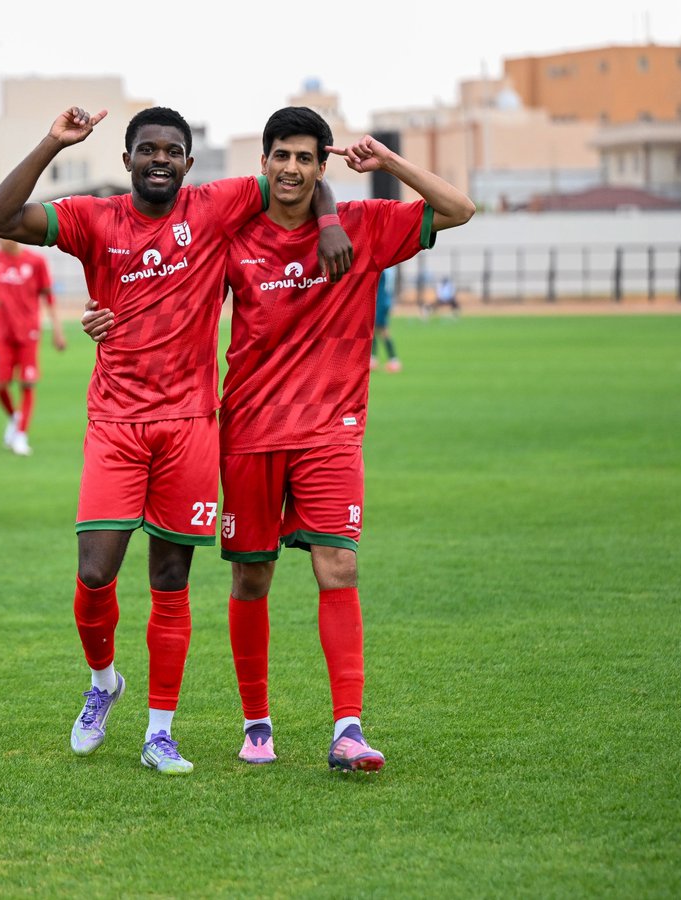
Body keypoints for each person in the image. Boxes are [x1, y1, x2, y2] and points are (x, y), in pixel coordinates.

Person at [0, 105, 351, 776]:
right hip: (116, 423)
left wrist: (327, 224)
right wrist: (52, 144)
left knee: (171, 577)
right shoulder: (94, 218)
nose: (159, 158)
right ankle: (102, 683)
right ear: (126, 161)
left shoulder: (215, 206)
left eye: (171, 150)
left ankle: (160, 732)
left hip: (189, 425)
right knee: (95, 570)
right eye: (146, 149)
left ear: (187, 161)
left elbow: (301, 178)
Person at [207, 108, 475, 772]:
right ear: (263, 163)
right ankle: (257, 724)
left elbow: (459, 208)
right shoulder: (234, 237)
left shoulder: (365, 226)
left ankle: (348, 730)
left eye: (305, 158)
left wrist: (389, 164)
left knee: (340, 567)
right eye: (281, 156)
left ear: (322, 167)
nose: (291, 168)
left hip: (331, 430)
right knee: (252, 575)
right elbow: (181, 306)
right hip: (249, 429)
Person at [0, 238, 66, 457]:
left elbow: (48, 297)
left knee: (27, 383)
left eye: (2, 235)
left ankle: (21, 435)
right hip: (3, 334)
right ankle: (15, 418)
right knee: (1, 384)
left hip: (28, 332)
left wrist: (57, 330)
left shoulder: (35, 261)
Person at [371, 266, 401, 372]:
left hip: (380, 303)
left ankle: (393, 360)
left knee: (383, 331)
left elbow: (381, 290)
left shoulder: (382, 271)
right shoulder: (388, 270)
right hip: (382, 302)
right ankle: (373, 358)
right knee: (373, 330)